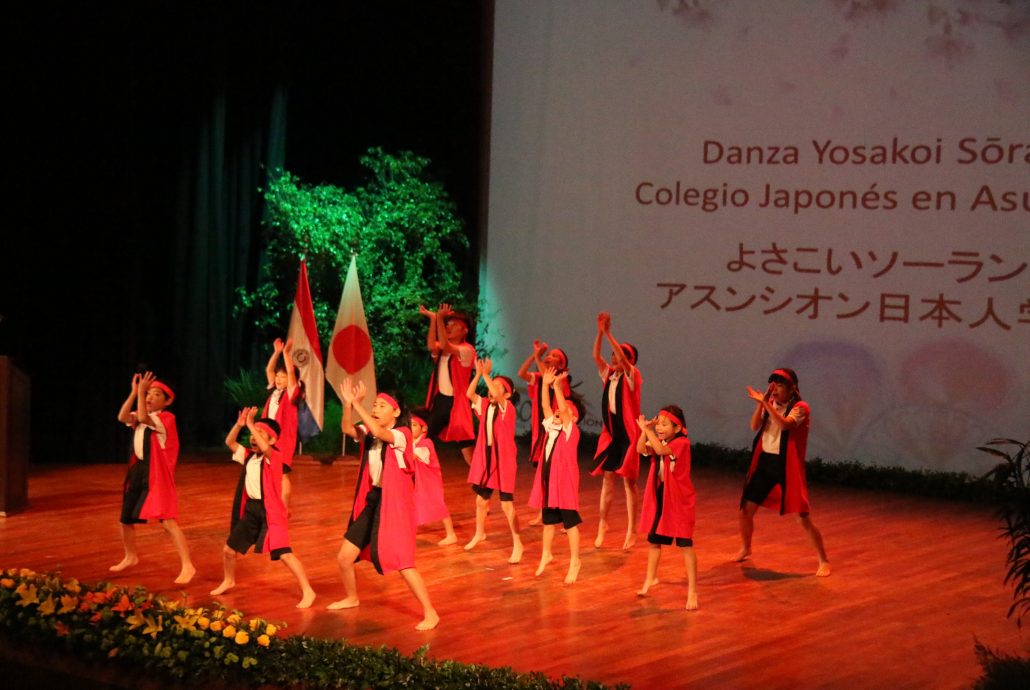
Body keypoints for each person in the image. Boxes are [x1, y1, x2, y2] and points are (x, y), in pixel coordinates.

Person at [328, 379, 439, 631]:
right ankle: (352, 597)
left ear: (396, 412)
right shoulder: (371, 431)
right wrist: (348, 404)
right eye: (374, 405)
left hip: (396, 505)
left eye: (381, 406)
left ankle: (430, 612)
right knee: (344, 557)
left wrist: (358, 403)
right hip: (375, 500)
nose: (375, 409)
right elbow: (347, 428)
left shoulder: (403, 434)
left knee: (404, 562)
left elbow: (380, 433)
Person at [210, 408, 316, 608]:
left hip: (271, 511)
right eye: (252, 434)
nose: (253, 437)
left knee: (284, 554)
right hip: (252, 510)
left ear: (272, 440)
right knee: (229, 550)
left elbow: (267, 450)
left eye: (259, 434)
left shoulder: (274, 457)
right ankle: (229, 580)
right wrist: (240, 425)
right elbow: (230, 443)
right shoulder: (249, 456)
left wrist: (251, 425)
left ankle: (308, 590)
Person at [734, 368, 831, 577]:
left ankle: (823, 560)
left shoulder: (801, 408)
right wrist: (762, 404)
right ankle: (746, 547)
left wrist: (766, 404)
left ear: (792, 388)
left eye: (780, 385)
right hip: (765, 462)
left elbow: (785, 425)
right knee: (745, 510)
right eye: (773, 385)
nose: (775, 389)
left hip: (786, 466)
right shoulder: (770, 404)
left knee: (802, 517)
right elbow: (754, 426)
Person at [110, 371, 195, 584]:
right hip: (138, 472)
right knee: (125, 519)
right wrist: (134, 392)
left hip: (157, 476)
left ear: (167, 402)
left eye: (156, 394)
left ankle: (188, 565)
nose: (149, 397)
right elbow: (122, 417)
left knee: (168, 522)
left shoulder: (165, 418)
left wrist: (140, 393)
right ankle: (131, 556)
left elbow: (142, 417)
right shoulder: (142, 415)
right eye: (148, 393)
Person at [635, 405, 698, 610]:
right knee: (654, 541)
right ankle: (650, 578)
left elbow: (661, 450)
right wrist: (645, 431)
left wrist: (649, 431)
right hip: (662, 495)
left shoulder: (681, 443)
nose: (660, 428)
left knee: (685, 544)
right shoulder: (660, 440)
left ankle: (692, 591)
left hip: (679, 499)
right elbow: (640, 449)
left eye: (664, 425)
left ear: (677, 428)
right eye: (659, 424)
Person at [590, 312, 642, 550]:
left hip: (628, 436)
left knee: (629, 483)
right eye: (613, 354)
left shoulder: (633, 376)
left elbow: (621, 357)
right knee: (607, 479)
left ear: (630, 361)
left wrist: (609, 333)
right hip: (612, 435)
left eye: (620, 355)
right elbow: (596, 356)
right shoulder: (610, 375)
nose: (614, 357)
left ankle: (632, 530)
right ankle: (603, 523)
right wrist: (600, 333)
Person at [463, 358, 524, 564]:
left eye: (498, 386)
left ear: (507, 394)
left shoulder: (508, 408)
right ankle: (479, 533)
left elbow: (497, 396)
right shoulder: (485, 406)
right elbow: (469, 394)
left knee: (507, 506)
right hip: (487, 460)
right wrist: (478, 374)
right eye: (491, 385)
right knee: (481, 500)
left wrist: (487, 375)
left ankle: (518, 543)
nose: (492, 389)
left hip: (503, 461)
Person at [530, 367, 584, 584]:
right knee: (548, 521)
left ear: (573, 417)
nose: (559, 413)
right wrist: (545, 385)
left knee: (570, 523)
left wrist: (558, 388)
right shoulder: (552, 427)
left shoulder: (571, 431)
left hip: (565, 483)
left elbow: (562, 407)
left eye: (564, 412)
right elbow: (546, 406)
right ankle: (546, 554)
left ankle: (575, 561)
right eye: (558, 413)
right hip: (549, 481)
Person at [517, 340, 571, 526]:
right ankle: (544, 513)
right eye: (550, 354)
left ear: (561, 365)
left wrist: (538, 357)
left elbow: (549, 379)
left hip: (555, 433)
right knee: (543, 474)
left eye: (555, 356)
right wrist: (535, 356)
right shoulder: (539, 378)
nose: (550, 357)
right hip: (540, 433)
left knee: (556, 476)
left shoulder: (561, 380)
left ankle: (566, 516)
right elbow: (521, 373)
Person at [419, 303, 477, 466]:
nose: (448, 327)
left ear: (464, 331)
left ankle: (481, 477)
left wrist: (440, 318)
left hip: (456, 403)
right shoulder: (444, 350)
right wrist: (434, 319)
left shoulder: (467, 350)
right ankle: (416, 473)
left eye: (453, 325)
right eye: (447, 324)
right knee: (424, 437)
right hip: (442, 402)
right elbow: (432, 345)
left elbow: (444, 345)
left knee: (466, 446)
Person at [410, 406, 459, 545]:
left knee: (439, 505)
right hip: (420, 480)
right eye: (409, 425)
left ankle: (451, 534)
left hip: (430, 481)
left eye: (414, 425)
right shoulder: (413, 443)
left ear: (424, 429)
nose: (410, 428)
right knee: (412, 504)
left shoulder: (426, 443)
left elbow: (411, 456)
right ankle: (409, 533)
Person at [263, 338, 301, 509]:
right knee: (270, 473)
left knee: (282, 474)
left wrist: (286, 353)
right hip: (270, 438)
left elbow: (291, 372)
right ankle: (272, 504)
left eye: (282, 377)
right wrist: (276, 352)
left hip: (283, 441)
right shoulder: (275, 391)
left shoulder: (291, 393)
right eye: (278, 376)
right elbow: (269, 369)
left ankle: (283, 508)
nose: (278, 379)